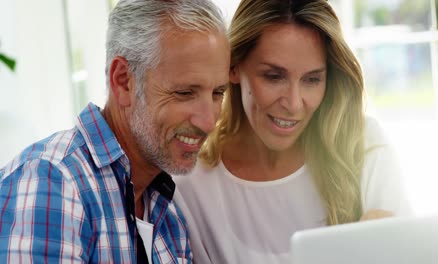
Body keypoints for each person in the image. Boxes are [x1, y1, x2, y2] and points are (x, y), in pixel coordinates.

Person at [173, 0, 411, 263]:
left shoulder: (363, 146)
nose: (294, 103)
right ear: (234, 67)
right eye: (274, 77)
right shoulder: (191, 183)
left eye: (312, 80)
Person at [0, 0, 230, 263]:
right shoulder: (53, 182)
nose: (208, 122)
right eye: (185, 93)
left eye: (217, 93)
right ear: (123, 81)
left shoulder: (168, 214)